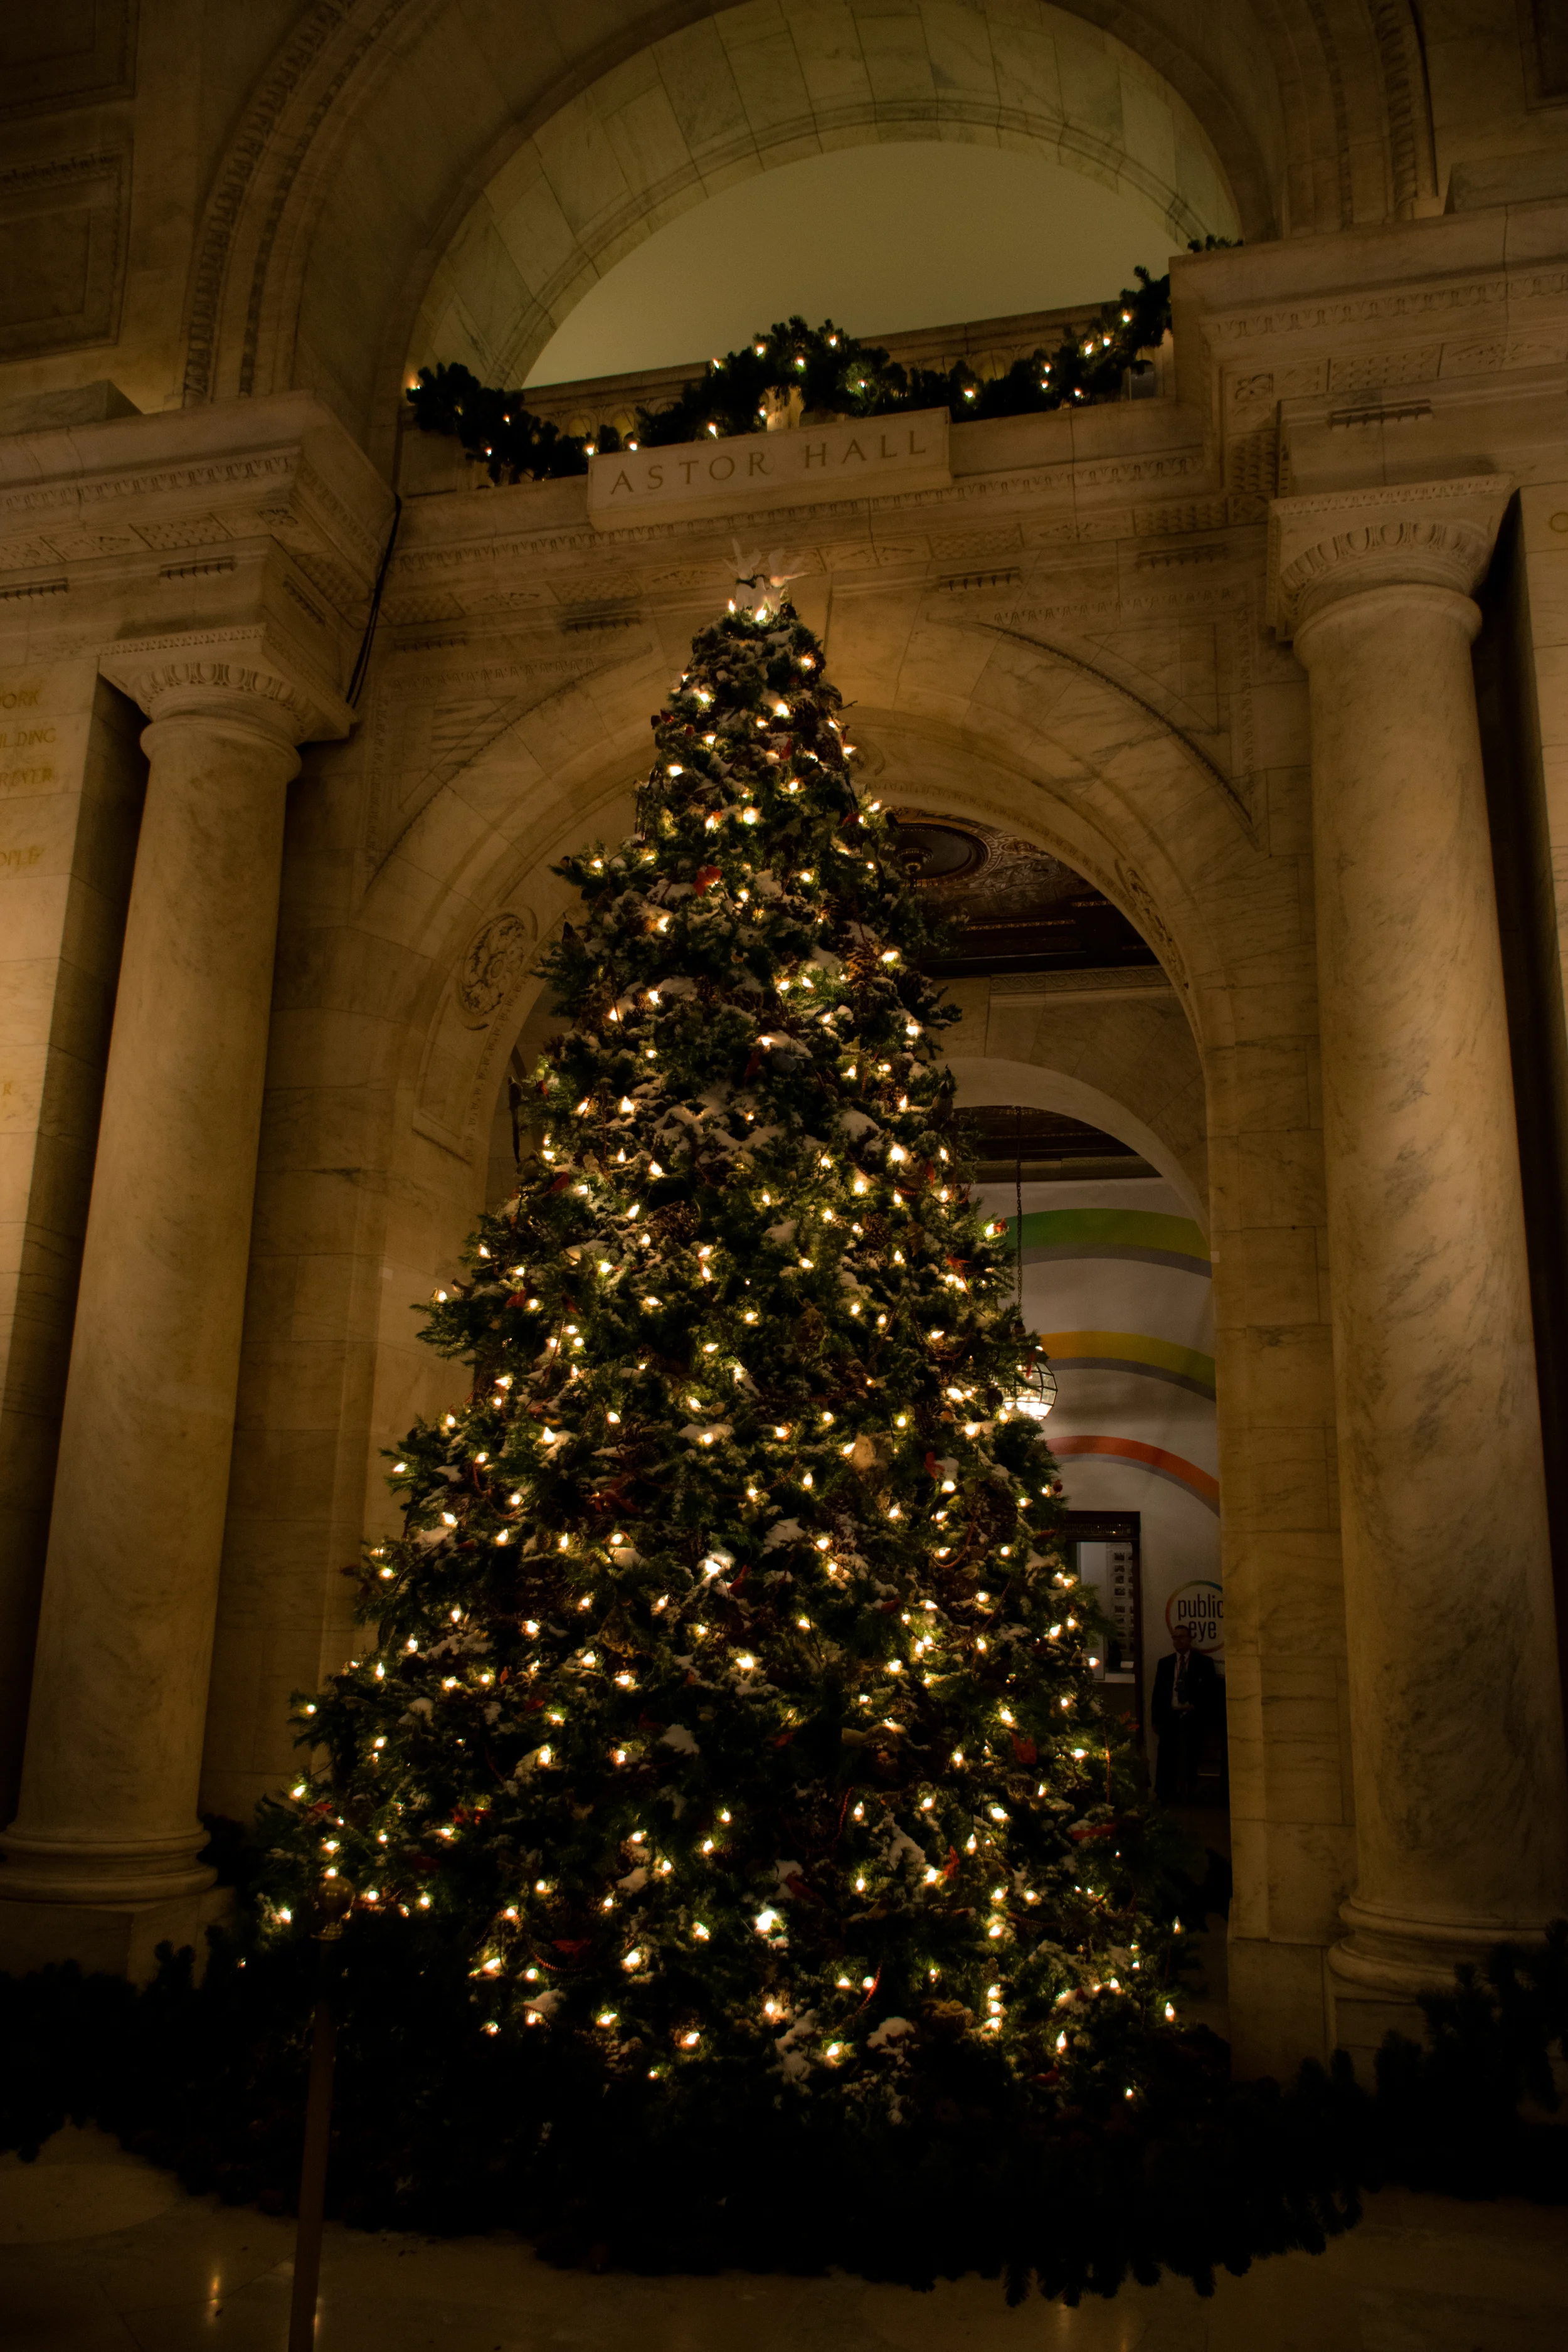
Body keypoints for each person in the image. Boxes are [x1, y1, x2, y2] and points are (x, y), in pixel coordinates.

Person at [1151, 1623, 1219, 1801]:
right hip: (1170, 1715)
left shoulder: (1204, 1663)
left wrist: (1197, 1707)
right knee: (1167, 1755)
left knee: (1193, 1754)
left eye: (1182, 1637)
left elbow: (1211, 1692)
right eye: (1175, 1637)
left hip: (1193, 1715)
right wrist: (1156, 1719)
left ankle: (1192, 1791)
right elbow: (1158, 1693)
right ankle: (1165, 1793)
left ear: (1190, 1639)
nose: (1178, 1641)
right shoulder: (1165, 1663)